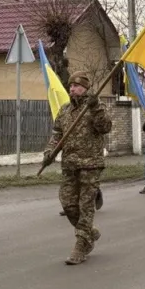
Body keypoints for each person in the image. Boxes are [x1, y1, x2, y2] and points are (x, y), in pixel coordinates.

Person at [44, 71, 112, 266]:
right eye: (71, 86)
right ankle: (89, 232)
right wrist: (49, 152)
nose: (72, 89)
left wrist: (96, 108)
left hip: (90, 164)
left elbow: (105, 127)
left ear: (85, 88)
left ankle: (82, 244)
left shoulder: (96, 107)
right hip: (70, 165)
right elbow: (57, 134)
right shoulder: (65, 110)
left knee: (85, 206)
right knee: (68, 203)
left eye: (76, 86)